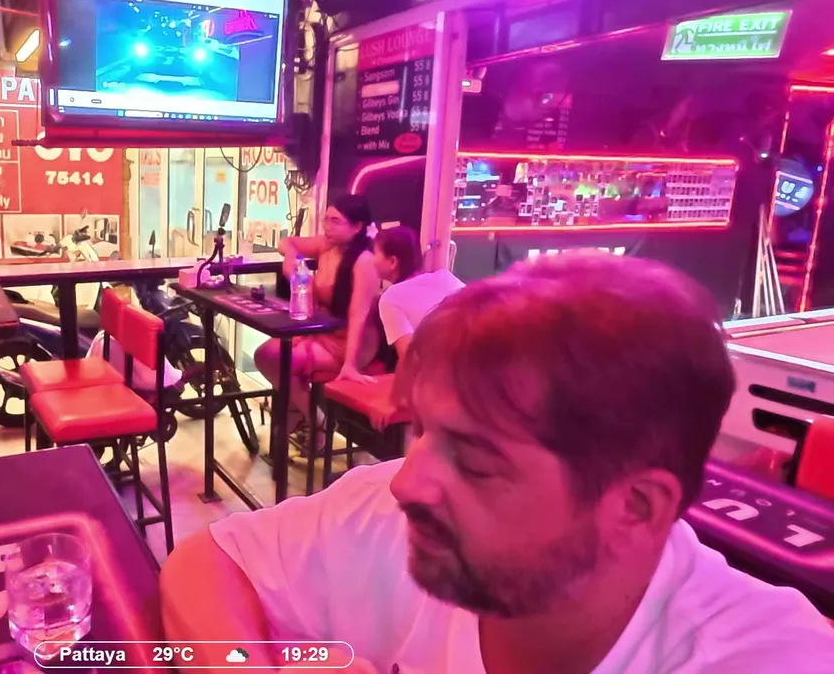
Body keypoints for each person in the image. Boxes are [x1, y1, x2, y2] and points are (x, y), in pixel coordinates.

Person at [161, 252, 834, 674]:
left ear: (634, 506)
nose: (408, 481)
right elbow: (206, 563)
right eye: (423, 430)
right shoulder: (390, 515)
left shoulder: (765, 656)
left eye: (477, 462)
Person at [254, 195, 381, 439]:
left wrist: (350, 364)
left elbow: (358, 316)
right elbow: (286, 242)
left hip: (350, 342)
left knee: (277, 359)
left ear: (357, 227)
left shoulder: (364, 261)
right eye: (326, 219)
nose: (327, 226)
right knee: (265, 354)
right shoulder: (327, 245)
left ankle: (314, 422)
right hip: (322, 331)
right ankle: (313, 417)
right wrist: (291, 261)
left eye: (335, 221)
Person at [368, 225, 465, 428]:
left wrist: (394, 402)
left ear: (392, 262)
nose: (371, 259)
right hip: (477, 381)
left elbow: (410, 356)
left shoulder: (391, 298)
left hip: (446, 389)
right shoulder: (446, 277)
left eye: (375, 253)